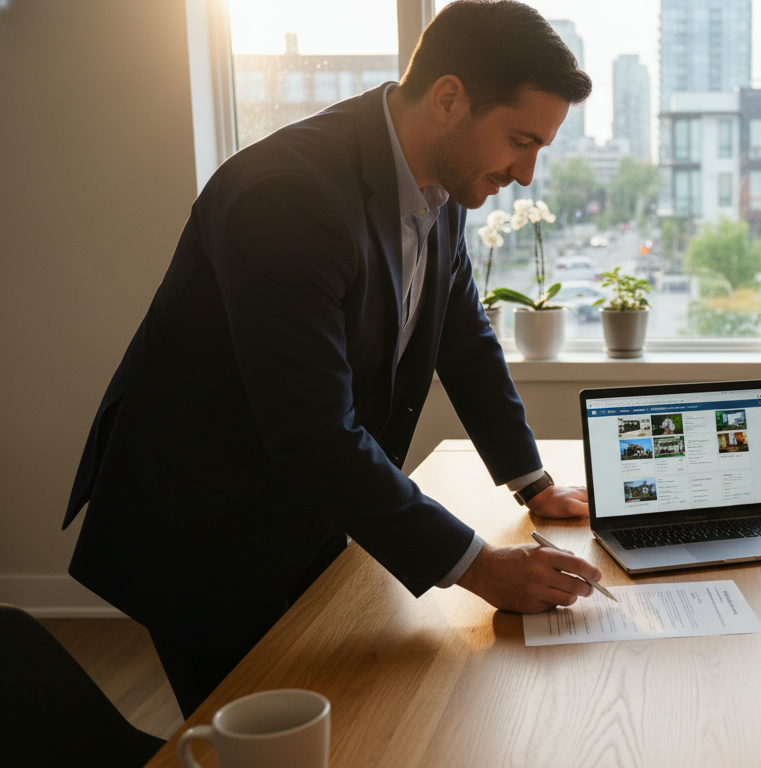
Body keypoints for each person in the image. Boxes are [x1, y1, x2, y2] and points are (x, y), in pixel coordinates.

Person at [62, 0, 603, 717]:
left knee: (349, 721)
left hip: (303, 506)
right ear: (449, 99)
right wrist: (481, 570)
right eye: (521, 141)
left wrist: (531, 481)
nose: (528, 174)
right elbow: (313, 434)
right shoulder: (288, 196)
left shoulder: (447, 182)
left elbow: (460, 336)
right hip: (201, 531)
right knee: (263, 737)